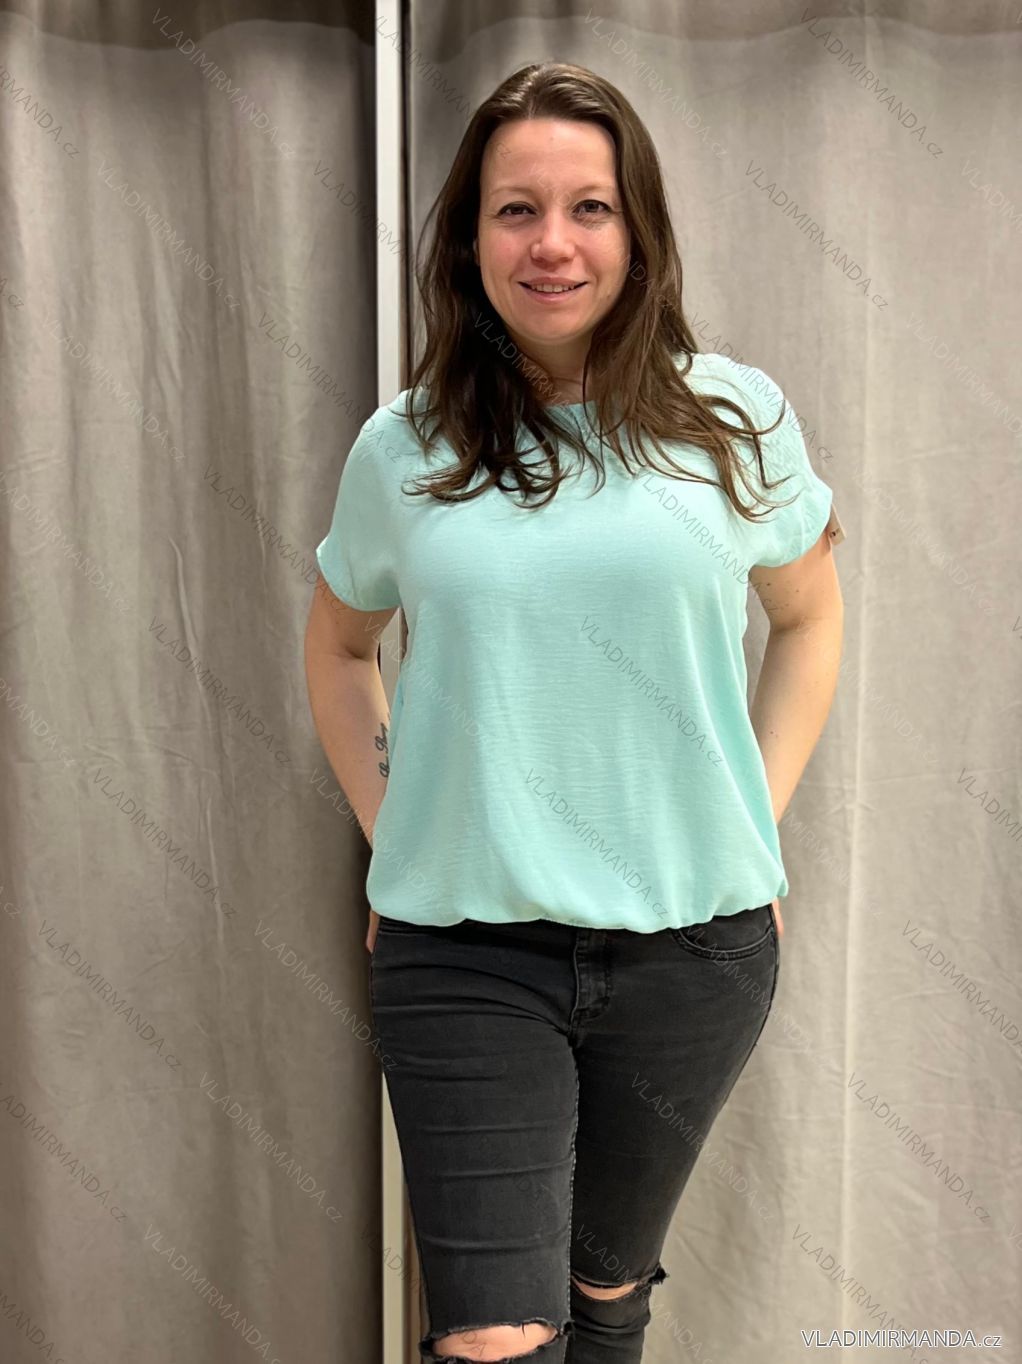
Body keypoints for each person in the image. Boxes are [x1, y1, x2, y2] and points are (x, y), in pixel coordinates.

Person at [305, 60, 844, 1364]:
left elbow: (810, 621)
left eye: (589, 207)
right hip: (464, 956)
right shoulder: (405, 447)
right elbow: (337, 645)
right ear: (468, 238)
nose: (552, 242)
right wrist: (394, 828)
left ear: (638, 229)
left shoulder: (735, 421)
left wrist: (754, 825)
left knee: (606, 1297)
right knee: (498, 1336)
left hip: (693, 958)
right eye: (515, 209)